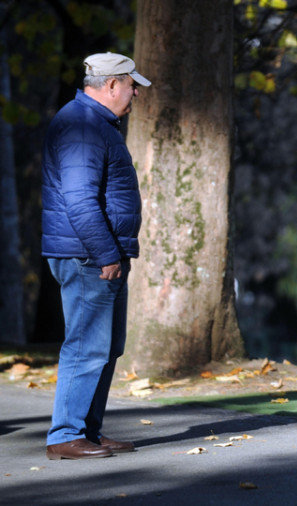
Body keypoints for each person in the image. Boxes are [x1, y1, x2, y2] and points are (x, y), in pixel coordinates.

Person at [41, 52, 151, 460]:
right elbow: (80, 201)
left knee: (106, 346)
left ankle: (87, 430)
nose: (134, 92)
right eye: (130, 84)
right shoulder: (82, 126)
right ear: (110, 85)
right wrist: (106, 253)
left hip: (102, 253)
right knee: (87, 345)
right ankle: (64, 436)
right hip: (89, 255)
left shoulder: (95, 124)